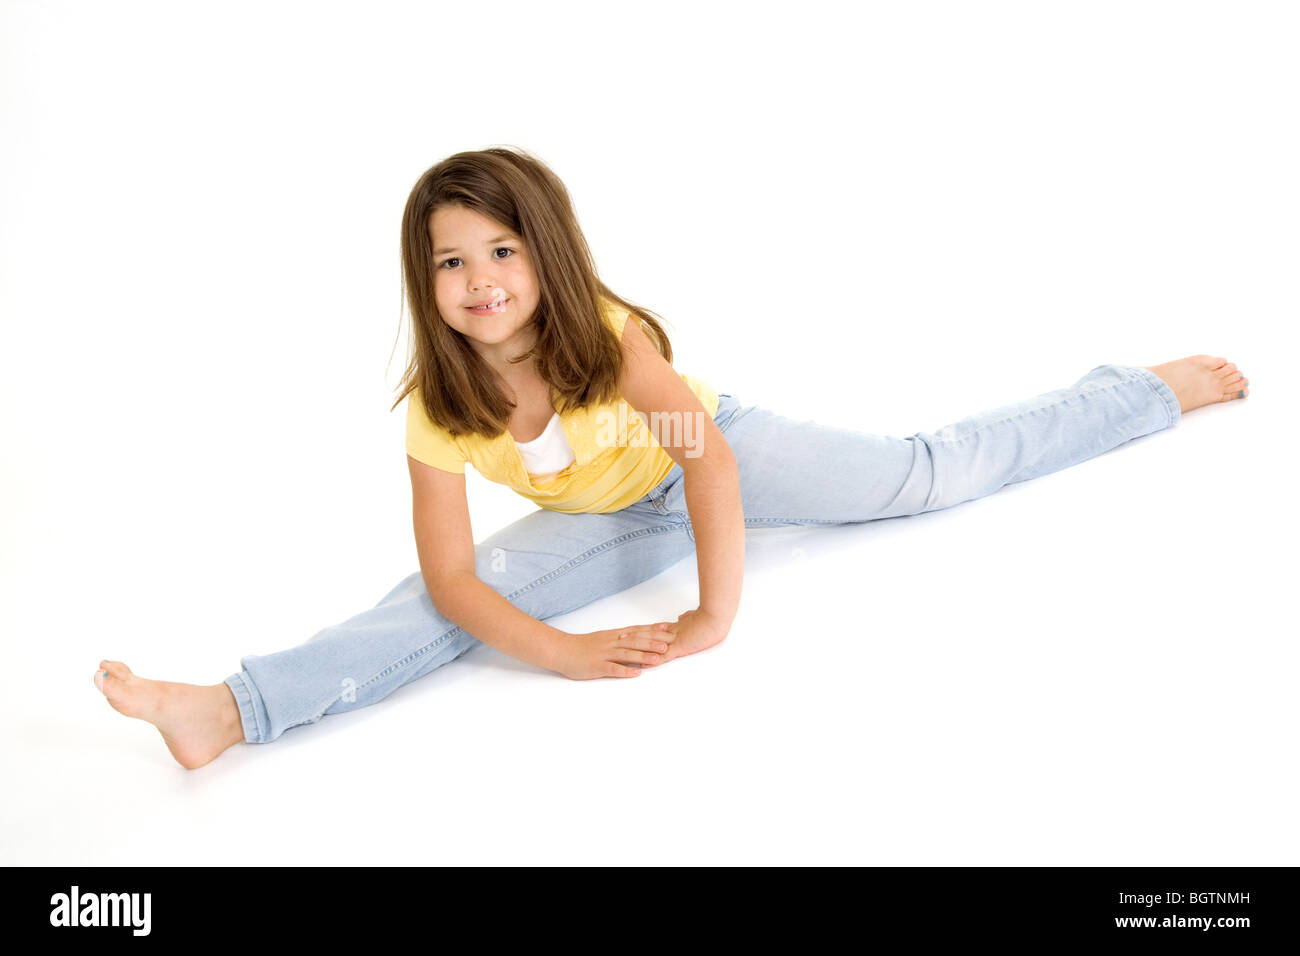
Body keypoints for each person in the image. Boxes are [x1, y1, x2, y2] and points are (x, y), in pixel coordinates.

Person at [92, 146, 1251, 770]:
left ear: (545, 256)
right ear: (424, 284)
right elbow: (449, 580)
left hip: (706, 450)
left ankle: (1139, 394)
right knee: (428, 612)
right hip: (607, 517)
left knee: (922, 474)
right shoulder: (435, 411)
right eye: (450, 262)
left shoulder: (608, 334)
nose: (481, 279)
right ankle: (230, 711)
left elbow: (709, 468)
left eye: (502, 249)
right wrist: (557, 650)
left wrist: (713, 613)